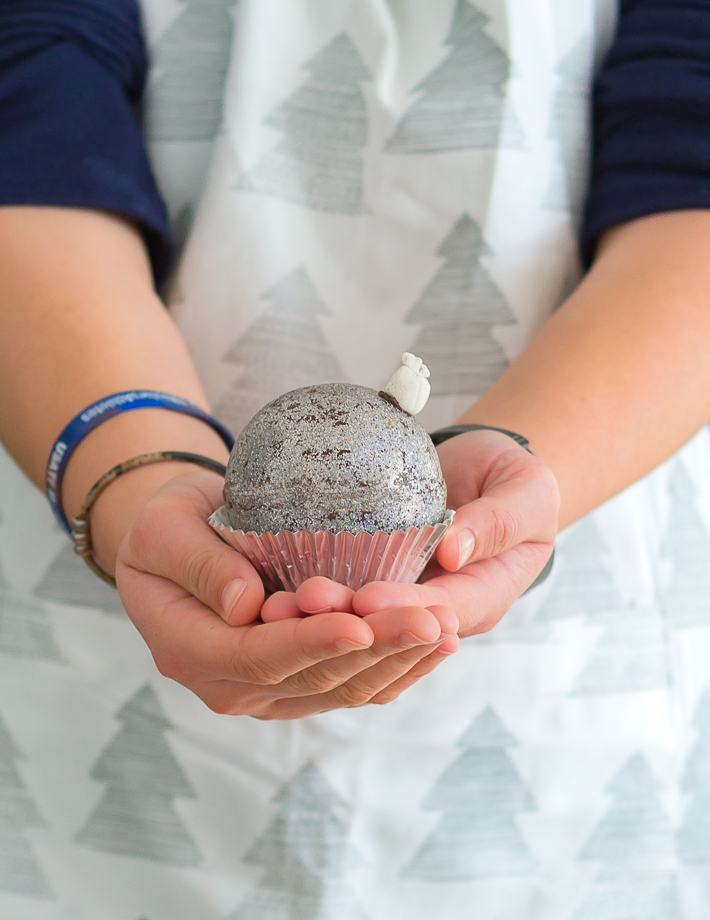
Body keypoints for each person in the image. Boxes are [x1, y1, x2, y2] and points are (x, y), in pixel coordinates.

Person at [0, 0, 709, 916]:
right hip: (92, 551)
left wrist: (521, 465)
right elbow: (27, 106)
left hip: (579, 627)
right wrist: (138, 474)